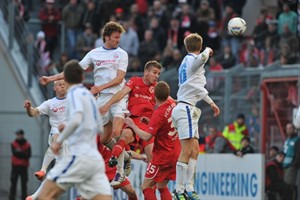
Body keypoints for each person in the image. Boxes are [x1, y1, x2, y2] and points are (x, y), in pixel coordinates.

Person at [39, 21, 128, 151]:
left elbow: (119, 78)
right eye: (116, 37)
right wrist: (50, 78)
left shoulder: (122, 54)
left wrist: (99, 88)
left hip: (118, 96)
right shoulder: (94, 53)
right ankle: (126, 157)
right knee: (104, 139)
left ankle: (120, 166)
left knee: (117, 132)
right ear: (107, 37)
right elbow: (74, 70)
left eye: (119, 37)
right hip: (102, 98)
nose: (118, 40)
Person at [37, 60, 111, 200]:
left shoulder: (74, 93)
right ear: (83, 78)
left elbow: (77, 119)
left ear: (65, 78)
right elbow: (98, 127)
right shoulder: (88, 96)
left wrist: (59, 140)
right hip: (94, 159)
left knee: (44, 195)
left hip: (78, 156)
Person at [171, 33, 220, 200]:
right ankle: (179, 190)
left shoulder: (186, 63)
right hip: (185, 108)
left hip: (187, 108)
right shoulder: (193, 60)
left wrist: (211, 102)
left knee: (194, 150)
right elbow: (201, 59)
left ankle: (189, 188)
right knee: (187, 150)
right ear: (199, 47)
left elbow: (197, 87)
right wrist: (208, 50)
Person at [99, 60, 162, 186]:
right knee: (123, 136)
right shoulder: (134, 81)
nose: (156, 76)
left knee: (152, 161)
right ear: (146, 72)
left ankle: (152, 191)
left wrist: (183, 103)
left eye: (158, 74)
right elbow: (122, 93)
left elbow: (167, 101)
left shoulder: (156, 87)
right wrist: (107, 104)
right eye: (154, 73)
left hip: (148, 125)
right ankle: (120, 171)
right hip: (133, 120)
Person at [125, 81, 181, 200]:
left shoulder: (159, 112)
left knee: (146, 186)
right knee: (162, 185)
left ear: (154, 96)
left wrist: (133, 125)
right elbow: (164, 124)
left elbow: (146, 137)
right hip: (176, 152)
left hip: (163, 155)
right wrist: (150, 123)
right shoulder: (173, 104)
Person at [24, 80, 67, 181]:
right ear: (54, 88)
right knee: (57, 139)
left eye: (64, 84)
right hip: (56, 133)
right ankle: (43, 170)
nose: (62, 86)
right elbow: (33, 113)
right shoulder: (50, 103)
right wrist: (29, 108)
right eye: (60, 84)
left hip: (71, 138)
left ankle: (35, 196)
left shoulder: (74, 100)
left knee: (57, 176)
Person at [96, 135, 139, 200]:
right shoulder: (98, 134)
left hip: (114, 171)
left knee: (131, 192)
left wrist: (143, 158)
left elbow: (127, 153)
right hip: (99, 169)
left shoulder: (120, 135)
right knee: (88, 196)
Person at [9, 129, 31, 200]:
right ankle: (12, 198)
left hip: (24, 167)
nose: (18, 136)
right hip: (15, 166)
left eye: (19, 135)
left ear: (22, 135)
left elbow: (28, 155)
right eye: (17, 135)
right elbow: (15, 154)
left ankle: (24, 198)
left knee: (24, 184)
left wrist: (20, 152)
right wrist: (23, 153)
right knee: (13, 184)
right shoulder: (13, 143)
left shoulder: (27, 144)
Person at [283, 122, 300, 198]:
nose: (288, 130)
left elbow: (298, 154)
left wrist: (294, 164)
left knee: (289, 186)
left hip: (291, 166)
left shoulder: (297, 140)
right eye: (287, 128)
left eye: (290, 128)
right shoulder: (287, 140)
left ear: (294, 129)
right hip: (284, 165)